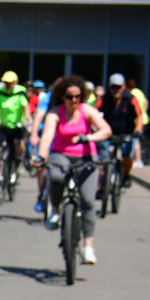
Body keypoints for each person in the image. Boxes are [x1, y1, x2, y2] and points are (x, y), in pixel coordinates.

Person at [38, 74, 112, 264]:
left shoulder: (87, 110)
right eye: (70, 97)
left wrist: (89, 138)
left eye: (77, 96)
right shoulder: (55, 112)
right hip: (60, 154)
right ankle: (54, 210)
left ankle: (88, 247)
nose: (74, 100)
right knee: (55, 176)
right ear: (62, 96)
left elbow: (106, 130)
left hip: (86, 156)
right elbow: (47, 135)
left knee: (88, 201)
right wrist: (40, 155)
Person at [97, 73, 144, 183]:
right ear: (109, 87)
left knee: (127, 155)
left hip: (126, 132)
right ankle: (101, 185)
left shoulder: (131, 99)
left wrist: (137, 130)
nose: (116, 90)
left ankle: (126, 175)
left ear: (124, 86)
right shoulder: (104, 99)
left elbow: (139, 116)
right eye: (113, 87)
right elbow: (95, 113)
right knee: (103, 158)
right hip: (108, 133)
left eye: (118, 87)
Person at [28, 77, 63, 212]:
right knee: (42, 166)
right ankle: (41, 194)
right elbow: (38, 116)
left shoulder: (71, 100)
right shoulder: (48, 98)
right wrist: (34, 134)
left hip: (62, 138)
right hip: (46, 135)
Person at [0, 70, 30, 166]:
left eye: (10, 83)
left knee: (18, 143)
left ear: (15, 82)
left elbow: (26, 108)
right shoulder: (0, 93)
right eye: (6, 83)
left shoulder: (20, 92)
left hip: (16, 126)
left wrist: (27, 120)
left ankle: (19, 159)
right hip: (4, 125)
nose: (8, 85)